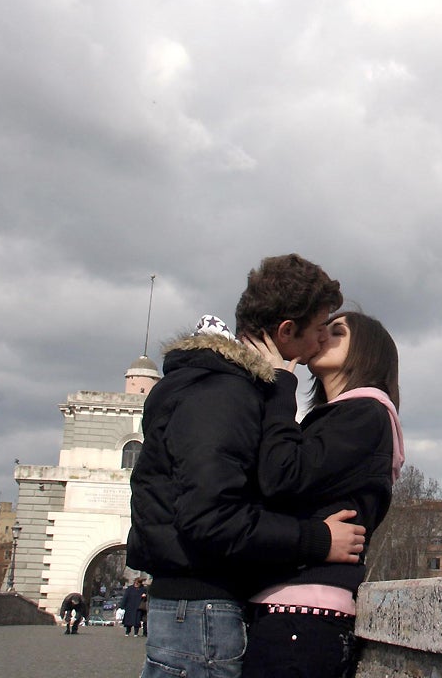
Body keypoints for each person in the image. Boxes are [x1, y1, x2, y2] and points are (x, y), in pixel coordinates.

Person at [127, 254, 367, 678]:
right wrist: (317, 539)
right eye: (316, 331)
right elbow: (210, 517)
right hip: (201, 614)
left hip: (195, 612)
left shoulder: (214, 385)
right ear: (286, 331)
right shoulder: (224, 393)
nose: (319, 344)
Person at [240, 311, 404, 678]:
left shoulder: (366, 413)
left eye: (336, 331)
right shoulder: (336, 419)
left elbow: (281, 476)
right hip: (290, 610)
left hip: (302, 614)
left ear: (367, 352)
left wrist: (282, 384)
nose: (321, 336)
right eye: (321, 329)